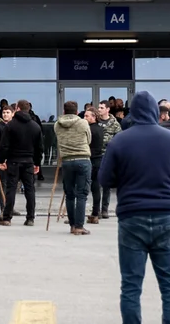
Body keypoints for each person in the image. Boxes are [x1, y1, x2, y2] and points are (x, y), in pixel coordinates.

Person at [100, 90, 170, 324]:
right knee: (169, 284)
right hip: (166, 216)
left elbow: (105, 179)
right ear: (156, 113)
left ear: (133, 113)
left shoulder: (120, 140)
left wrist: (126, 178)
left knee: (131, 285)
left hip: (131, 217)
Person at [0, 99, 43, 227]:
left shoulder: (10, 126)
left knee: (11, 189)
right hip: (28, 161)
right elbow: (39, 148)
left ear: (17, 109)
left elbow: (4, 146)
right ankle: (30, 218)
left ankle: (7, 218)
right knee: (30, 190)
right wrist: (37, 163)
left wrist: (1, 160)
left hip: (13, 161)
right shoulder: (35, 126)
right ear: (28, 109)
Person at [55, 100, 93, 236]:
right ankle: (79, 226)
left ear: (64, 111)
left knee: (69, 194)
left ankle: (72, 225)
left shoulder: (57, 125)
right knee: (82, 194)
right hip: (83, 159)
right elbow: (89, 140)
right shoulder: (83, 123)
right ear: (77, 112)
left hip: (66, 160)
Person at [96, 101, 122, 219]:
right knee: (95, 184)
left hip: (107, 156)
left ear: (107, 109)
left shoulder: (114, 124)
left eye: (101, 108)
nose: (99, 109)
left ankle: (104, 209)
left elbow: (119, 139)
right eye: (98, 107)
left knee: (106, 184)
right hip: (96, 155)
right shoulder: (95, 121)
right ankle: (96, 209)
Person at [85, 105, 107, 225]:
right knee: (95, 187)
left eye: (87, 116)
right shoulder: (100, 128)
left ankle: (79, 212)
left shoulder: (90, 129)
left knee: (83, 187)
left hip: (90, 159)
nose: (84, 118)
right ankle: (95, 211)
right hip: (98, 159)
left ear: (93, 117)